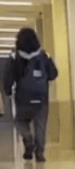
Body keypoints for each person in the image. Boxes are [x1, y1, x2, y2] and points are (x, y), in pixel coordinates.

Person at [3, 27, 58, 161]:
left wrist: (8, 91)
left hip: (23, 98)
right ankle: (39, 152)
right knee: (40, 125)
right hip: (41, 98)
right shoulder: (43, 56)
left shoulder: (15, 58)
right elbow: (53, 74)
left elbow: (8, 77)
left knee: (20, 121)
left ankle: (28, 139)